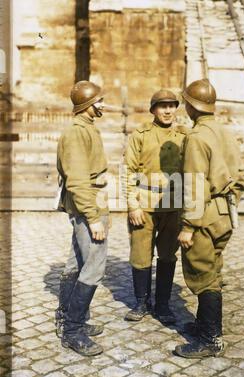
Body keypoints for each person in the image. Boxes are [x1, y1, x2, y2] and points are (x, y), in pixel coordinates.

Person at [175, 79, 244, 359]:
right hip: (224, 214)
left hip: (203, 217)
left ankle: (210, 340)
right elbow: (241, 176)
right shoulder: (224, 132)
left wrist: (188, 226)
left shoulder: (196, 137)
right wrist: (230, 202)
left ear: (191, 106)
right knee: (214, 271)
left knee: (202, 275)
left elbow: (194, 185)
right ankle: (206, 325)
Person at [55, 80, 110, 356]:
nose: (102, 105)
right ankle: (73, 330)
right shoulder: (77, 132)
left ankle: (67, 317)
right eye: (98, 101)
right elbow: (77, 181)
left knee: (76, 260)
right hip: (89, 204)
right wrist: (93, 218)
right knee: (94, 265)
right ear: (87, 105)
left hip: (91, 201)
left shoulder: (87, 127)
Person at [123, 89, 187, 324]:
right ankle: (141, 302)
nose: (168, 110)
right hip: (145, 205)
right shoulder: (140, 135)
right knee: (140, 255)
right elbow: (128, 170)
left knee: (168, 255)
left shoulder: (184, 135)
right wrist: (132, 205)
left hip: (174, 206)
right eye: (162, 106)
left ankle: (162, 305)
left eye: (172, 105)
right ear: (153, 110)